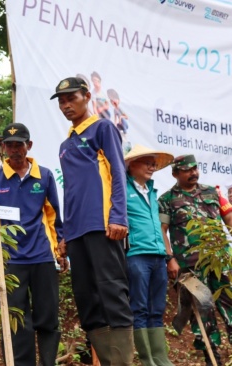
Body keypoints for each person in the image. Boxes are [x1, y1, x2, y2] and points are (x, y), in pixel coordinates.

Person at [51, 76, 134, 364]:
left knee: (112, 291)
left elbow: (118, 174)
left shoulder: (102, 128)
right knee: (86, 298)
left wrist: (118, 216)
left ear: (86, 96)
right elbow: (71, 190)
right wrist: (64, 235)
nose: (65, 105)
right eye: (61, 101)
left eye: (71, 98)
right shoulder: (65, 144)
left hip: (103, 226)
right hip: (76, 233)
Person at [0, 123, 65, 365]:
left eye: (19, 144)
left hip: (42, 256)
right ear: (3, 148)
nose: (14, 149)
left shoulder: (45, 175)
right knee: (17, 319)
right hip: (10, 259)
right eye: (9, 145)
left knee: (48, 316)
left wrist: (61, 246)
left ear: (28, 146)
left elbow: (54, 214)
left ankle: (48, 363)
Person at [158, 154, 232, 365]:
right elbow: (162, 231)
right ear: (175, 174)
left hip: (220, 262)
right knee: (202, 311)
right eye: (187, 170)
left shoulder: (213, 192)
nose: (193, 173)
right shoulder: (167, 200)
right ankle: (212, 357)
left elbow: (228, 218)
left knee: (230, 303)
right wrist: (170, 258)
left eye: (195, 168)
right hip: (190, 267)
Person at [123, 145, 174, 366]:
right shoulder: (122, 190)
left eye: (153, 164)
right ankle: (147, 360)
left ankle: (160, 358)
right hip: (136, 255)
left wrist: (168, 255)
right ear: (131, 164)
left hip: (158, 256)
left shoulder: (152, 192)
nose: (152, 167)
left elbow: (161, 228)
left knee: (157, 308)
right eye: (147, 162)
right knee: (139, 307)